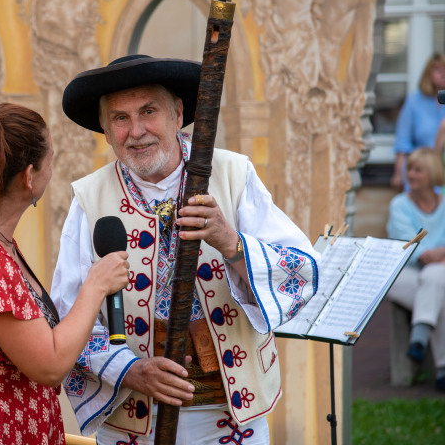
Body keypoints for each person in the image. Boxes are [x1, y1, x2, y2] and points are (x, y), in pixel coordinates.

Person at [50, 55, 320, 444]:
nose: (137, 131)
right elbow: (68, 313)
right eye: (120, 118)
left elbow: (302, 274)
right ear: (107, 131)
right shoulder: (89, 199)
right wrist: (129, 370)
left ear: (178, 114)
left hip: (230, 417)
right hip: (134, 419)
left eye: (148, 111)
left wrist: (232, 244)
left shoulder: (231, 175)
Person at [0, 103, 130, 444]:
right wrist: (96, 284)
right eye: (51, 160)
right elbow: (50, 365)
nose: (52, 169)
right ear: (29, 176)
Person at [386, 147, 445, 393]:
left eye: (417, 169)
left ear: (432, 174)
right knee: (437, 283)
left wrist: (437, 254)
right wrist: (439, 253)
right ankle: (442, 369)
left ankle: (419, 339)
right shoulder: (399, 204)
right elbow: (411, 248)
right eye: (409, 168)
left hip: (437, 275)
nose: (410, 174)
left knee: (435, 279)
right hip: (405, 275)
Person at [391, 53, 445, 190]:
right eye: (438, 70)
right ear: (428, 73)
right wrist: (398, 174)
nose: (443, 74)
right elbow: (403, 141)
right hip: (421, 170)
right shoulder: (414, 101)